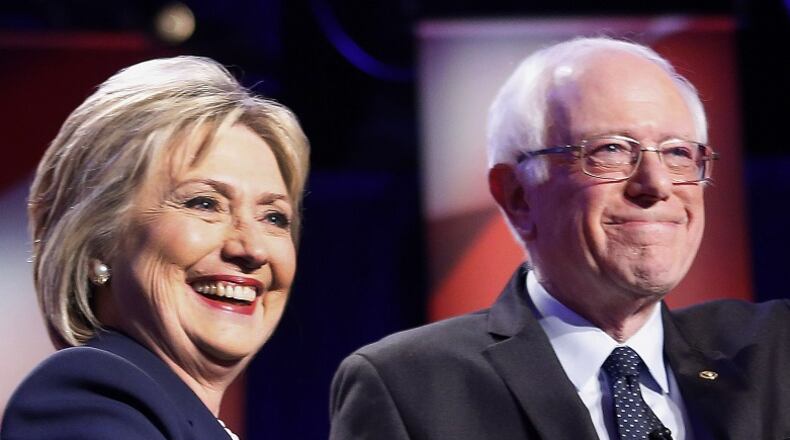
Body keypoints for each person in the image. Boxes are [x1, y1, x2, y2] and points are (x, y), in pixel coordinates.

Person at [329, 37, 790, 439]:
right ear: (518, 196)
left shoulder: (771, 352)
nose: (656, 184)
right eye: (611, 150)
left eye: (677, 153)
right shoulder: (411, 386)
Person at [1, 56, 309, 439]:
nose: (253, 249)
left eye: (273, 217)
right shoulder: (84, 403)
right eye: (205, 203)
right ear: (98, 237)